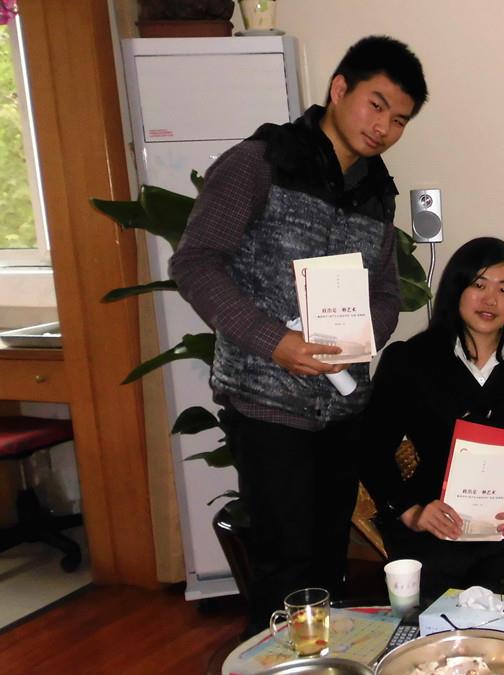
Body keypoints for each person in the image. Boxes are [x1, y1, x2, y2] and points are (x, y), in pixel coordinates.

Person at [168, 36, 428, 630]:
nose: (384, 127)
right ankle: (272, 663)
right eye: (376, 105)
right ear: (339, 89)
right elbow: (195, 262)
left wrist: (363, 333)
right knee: (283, 571)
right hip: (267, 406)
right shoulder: (258, 162)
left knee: (328, 565)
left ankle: (324, 663)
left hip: (342, 410)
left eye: (399, 119)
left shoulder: (376, 192)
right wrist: (273, 341)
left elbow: (387, 294)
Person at [360, 237, 504, 601]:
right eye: (479, 285)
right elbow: (370, 446)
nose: (490, 300)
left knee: (499, 606)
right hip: (436, 521)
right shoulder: (410, 361)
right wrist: (412, 512)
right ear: (456, 289)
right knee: (435, 614)